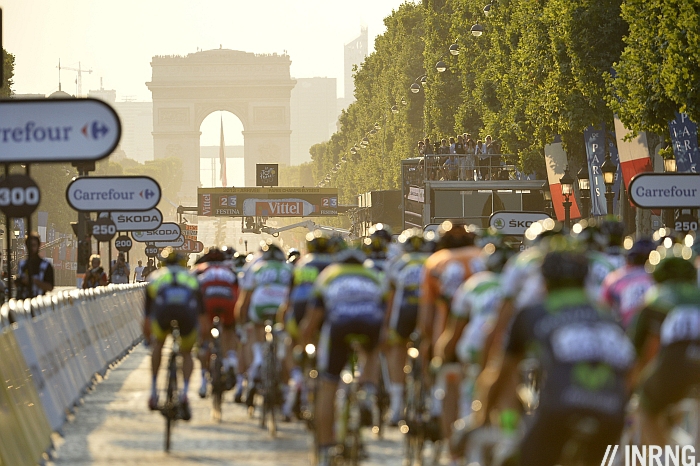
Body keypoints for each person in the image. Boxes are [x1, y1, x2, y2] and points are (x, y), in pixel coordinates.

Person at [482, 244, 634, 465]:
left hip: (559, 408)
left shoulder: (534, 312)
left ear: (544, 281)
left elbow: (503, 372)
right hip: (611, 411)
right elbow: (630, 370)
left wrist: (483, 417)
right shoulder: (606, 315)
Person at [300, 245, 387, 465]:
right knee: (372, 352)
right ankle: (368, 390)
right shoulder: (373, 275)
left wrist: (303, 347)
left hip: (340, 325)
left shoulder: (329, 275)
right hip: (370, 323)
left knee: (328, 386)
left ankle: (326, 448)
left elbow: (312, 321)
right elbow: (386, 313)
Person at [628, 246, 700, 446]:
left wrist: (634, 386)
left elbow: (641, 350)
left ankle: (661, 455)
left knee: (645, 409)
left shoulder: (656, 298)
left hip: (674, 366)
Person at [143, 252, 203, 420]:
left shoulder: (155, 277)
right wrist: (202, 339)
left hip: (163, 314)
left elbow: (147, 316)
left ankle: (154, 391)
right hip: (186, 315)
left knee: (158, 345)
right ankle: (184, 392)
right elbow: (201, 314)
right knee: (186, 353)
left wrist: (148, 339)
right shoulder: (191, 278)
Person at [235, 240, 292, 407]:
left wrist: (241, 326)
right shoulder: (288, 268)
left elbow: (243, 302)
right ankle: (283, 378)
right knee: (283, 338)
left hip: (261, 304)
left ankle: (258, 361)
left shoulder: (255, 266)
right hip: (282, 305)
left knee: (256, 330)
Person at [193, 247, 240, 399]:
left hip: (207, 301)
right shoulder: (230, 269)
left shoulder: (200, 269)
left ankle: (202, 381)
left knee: (203, 338)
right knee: (229, 330)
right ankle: (231, 360)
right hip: (228, 300)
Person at [16, 232, 54, 299]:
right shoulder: (22, 264)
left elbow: (50, 287)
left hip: (39, 303)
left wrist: (32, 280)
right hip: (23, 303)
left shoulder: (46, 265)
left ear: (38, 246)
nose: (31, 248)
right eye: (29, 245)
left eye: (34, 245)